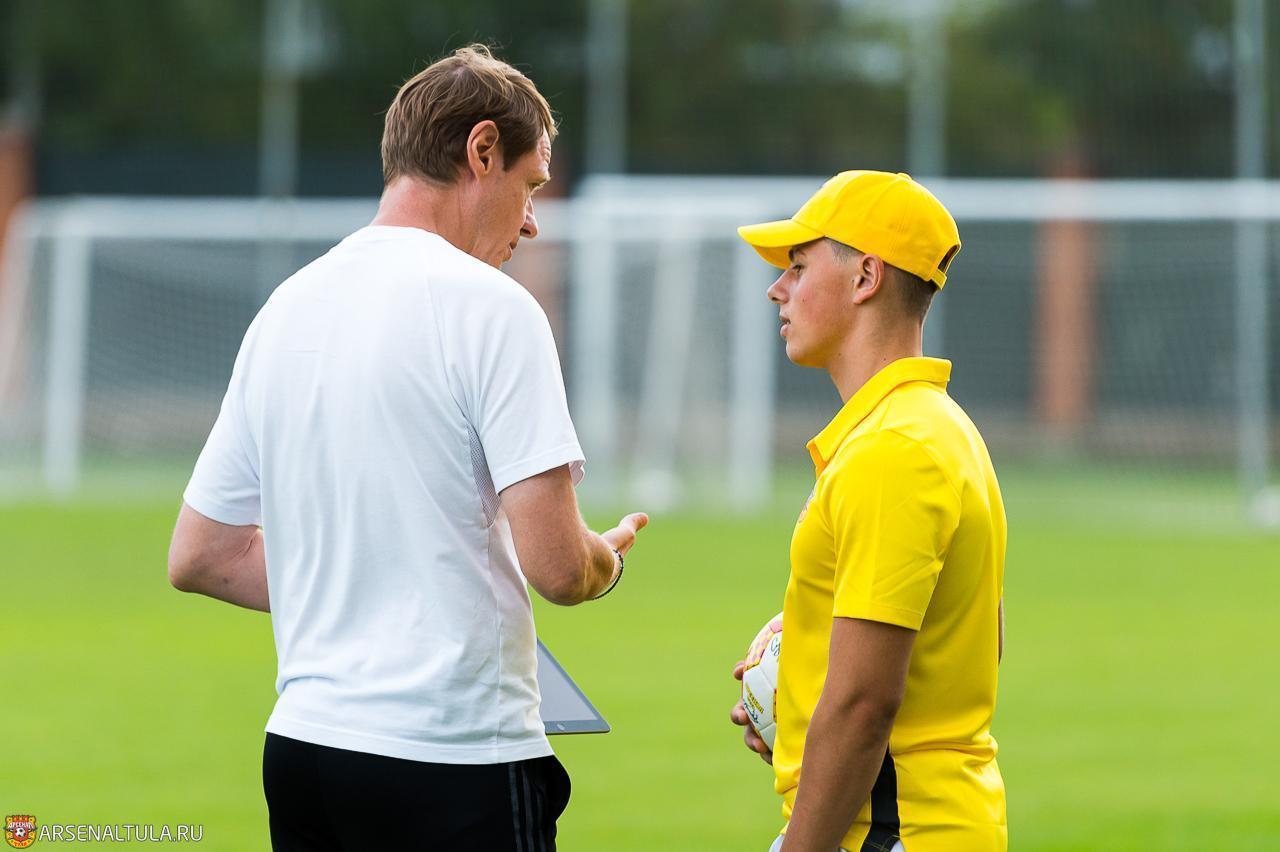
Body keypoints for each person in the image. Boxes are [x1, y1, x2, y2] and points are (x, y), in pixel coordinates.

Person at [167, 45, 647, 851]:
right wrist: (607, 560)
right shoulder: (495, 308)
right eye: (531, 185)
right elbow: (560, 569)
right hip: (455, 756)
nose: (533, 220)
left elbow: (201, 555)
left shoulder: (286, 308)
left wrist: (370, 589)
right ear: (482, 150)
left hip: (304, 752)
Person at [731, 171, 1007, 852]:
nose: (777, 288)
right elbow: (971, 639)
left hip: (892, 832)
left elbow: (863, 705)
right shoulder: (937, 426)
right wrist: (799, 692)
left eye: (798, 266)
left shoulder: (893, 449)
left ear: (865, 278)